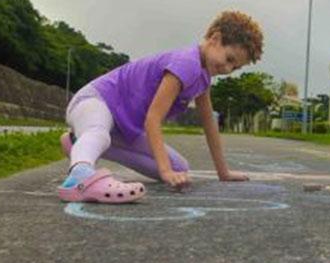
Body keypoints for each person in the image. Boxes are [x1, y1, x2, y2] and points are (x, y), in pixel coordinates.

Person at [58, 11, 263, 203]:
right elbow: (153, 119)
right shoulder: (186, 63)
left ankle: (77, 144)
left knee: (179, 168)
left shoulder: (203, 78)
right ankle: (80, 175)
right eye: (229, 59)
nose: (227, 69)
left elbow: (210, 124)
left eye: (234, 68)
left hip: (120, 125)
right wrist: (165, 172)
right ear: (215, 39)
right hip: (95, 101)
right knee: (99, 133)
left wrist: (223, 172)